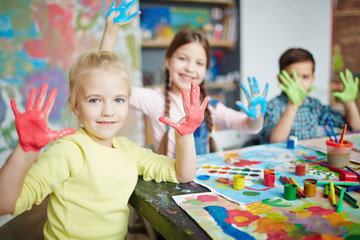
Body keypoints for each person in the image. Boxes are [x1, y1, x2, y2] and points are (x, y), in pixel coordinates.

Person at [0, 51, 208, 239]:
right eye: (94, 100)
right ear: (75, 106)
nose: (108, 111)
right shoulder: (69, 150)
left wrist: (185, 136)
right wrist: (26, 149)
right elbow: (4, 204)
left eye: (118, 100)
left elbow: (182, 174)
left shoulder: (128, 150)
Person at [99, 1, 269, 157]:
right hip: (170, 182)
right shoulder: (154, 99)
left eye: (199, 63)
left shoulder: (209, 106)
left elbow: (249, 127)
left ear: (206, 70)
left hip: (202, 181)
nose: (190, 68)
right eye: (182, 59)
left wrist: (256, 117)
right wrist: (111, 31)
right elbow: (109, 82)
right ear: (168, 61)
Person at [260, 48, 360, 143]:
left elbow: (355, 128)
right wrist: (292, 105)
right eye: (291, 77)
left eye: (305, 77)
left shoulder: (315, 106)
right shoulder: (272, 106)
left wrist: (349, 102)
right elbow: (275, 141)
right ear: (280, 79)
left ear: (312, 79)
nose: (298, 83)